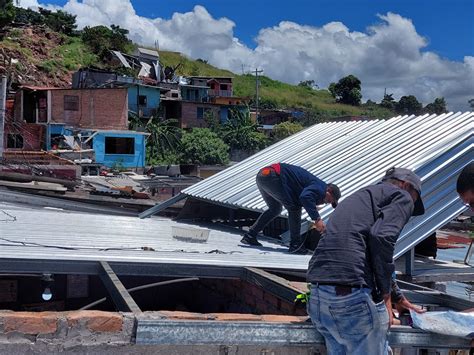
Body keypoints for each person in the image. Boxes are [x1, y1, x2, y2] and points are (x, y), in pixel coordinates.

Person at [307, 167, 426, 354]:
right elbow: (381, 238)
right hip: (350, 299)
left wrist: (397, 297)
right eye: (414, 200)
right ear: (406, 185)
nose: (411, 208)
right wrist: (386, 296)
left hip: (318, 297)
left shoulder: (359, 196)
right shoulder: (401, 196)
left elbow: (370, 249)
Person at [240, 162, 340, 254]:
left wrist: (311, 207)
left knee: (275, 209)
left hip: (264, 175)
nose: (327, 203)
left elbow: (303, 196)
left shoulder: (317, 186)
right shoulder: (320, 187)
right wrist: (317, 219)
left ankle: (250, 236)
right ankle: (295, 245)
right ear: (329, 191)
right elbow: (305, 197)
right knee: (294, 208)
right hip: (274, 176)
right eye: (329, 200)